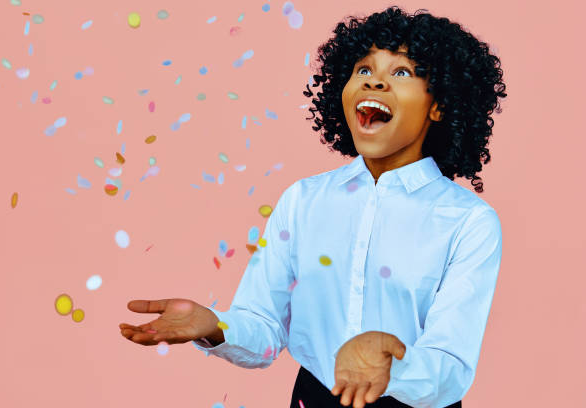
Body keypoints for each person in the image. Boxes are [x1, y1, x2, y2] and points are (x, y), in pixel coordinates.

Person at [119, 5, 507, 408]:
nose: (374, 82)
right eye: (363, 70)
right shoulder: (303, 201)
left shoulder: (468, 222)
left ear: (438, 104)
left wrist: (391, 369)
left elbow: (451, 367)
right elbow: (266, 330)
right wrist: (214, 327)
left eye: (402, 72)